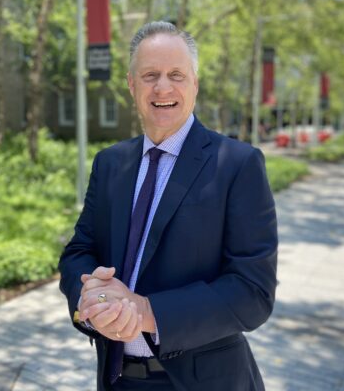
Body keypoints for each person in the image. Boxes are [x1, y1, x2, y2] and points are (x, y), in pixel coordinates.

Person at [59, 21, 278, 391]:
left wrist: (146, 312)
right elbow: (80, 251)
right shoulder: (110, 163)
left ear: (194, 83)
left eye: (176, 74)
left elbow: (252, 292)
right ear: (131, 85)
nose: (163, 87)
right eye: (150, 75)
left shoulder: (237, 164)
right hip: (117, 379)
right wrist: (93, 300)